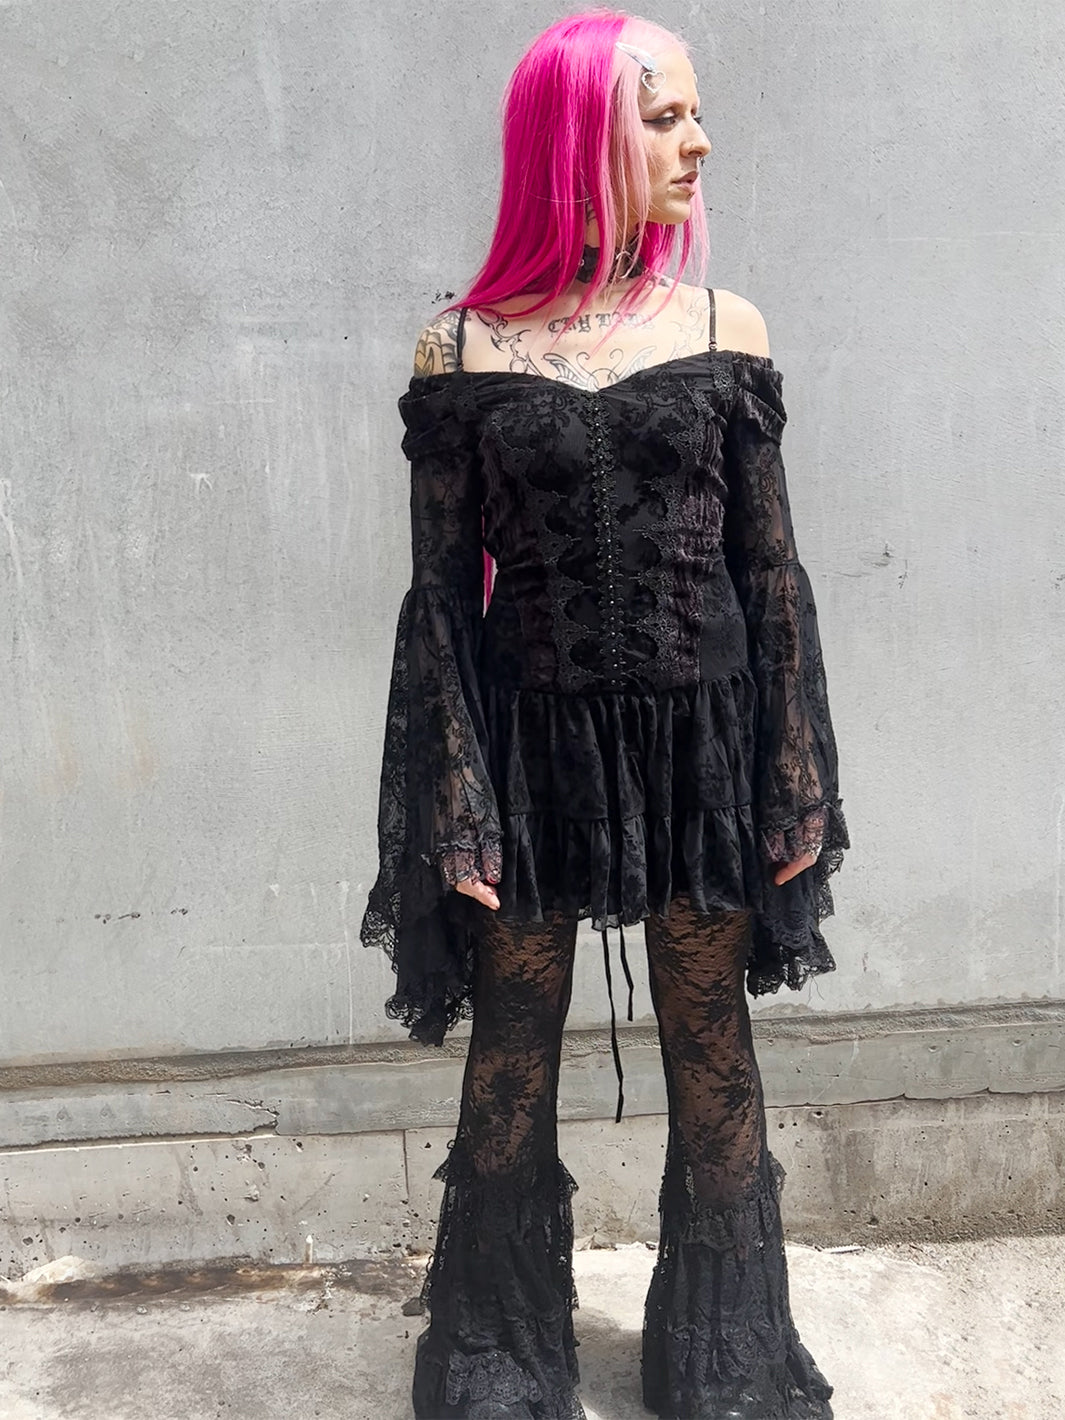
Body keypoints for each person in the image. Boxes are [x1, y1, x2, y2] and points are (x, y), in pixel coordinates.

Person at [359, 10, 850, 1418]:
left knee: (710, 1034)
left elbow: (770, 569)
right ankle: (497, 1347)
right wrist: (456, 785)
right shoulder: (460, 347)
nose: (699, 142)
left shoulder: (723, 331)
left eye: (695, 114)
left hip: (700, 741)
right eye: (665, 116)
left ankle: (726, 1350)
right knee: (513, 1039)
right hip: (531, 746)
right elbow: (439, 593)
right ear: (580, 137)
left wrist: (795, 767)